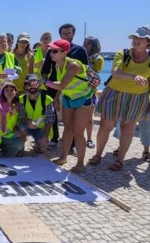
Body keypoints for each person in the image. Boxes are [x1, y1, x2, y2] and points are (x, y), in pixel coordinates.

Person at [89, 26, 150, 171]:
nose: (136, 40)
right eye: (135, 37)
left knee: (128, 129)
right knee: (105, 127)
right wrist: (133, 77)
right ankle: (98, 155)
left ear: (148, 41)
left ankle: (120, 160)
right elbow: (115, 73)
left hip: (138, 97)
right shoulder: (123, 53)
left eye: (141, 38)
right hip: (114, 93)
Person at [42, 39, 95, 173]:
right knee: (67, 128)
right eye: (50, 51)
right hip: (69, 98)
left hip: (84, 99)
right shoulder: (57, 65)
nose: (51, 54)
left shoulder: (73, 65)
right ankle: (63, 157)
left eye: (54, 51)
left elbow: (60, 84)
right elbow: (62, 83)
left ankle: (80, 164)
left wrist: (43, 81)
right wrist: (57, 97)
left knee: (78, 132)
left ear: (64, 52)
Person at [0, 82, 24, 159]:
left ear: (16, 92)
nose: (9, 92)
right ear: (3, 92)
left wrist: (16, 133)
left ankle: (4, 150)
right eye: (7, 90)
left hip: (6, 135)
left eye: (12, 90)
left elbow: (13, 124)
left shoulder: (17, 107)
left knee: (19, 144)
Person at [18, 74, 55, 154]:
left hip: (41, 129)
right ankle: (21, 148)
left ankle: (38, 143)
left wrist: (45, 137)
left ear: (38, 84)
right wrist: (28, 121)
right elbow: (21, 117)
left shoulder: (47, 99)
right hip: (27, 126)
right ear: (25, 86)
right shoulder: (21, 99)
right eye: (29, 84)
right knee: (22, 127)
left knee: (41, 148)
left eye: (34, 83)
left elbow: (50, 120)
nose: (32, 86)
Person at [84, 36, 104, 148]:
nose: (85, 45)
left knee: (89, 116)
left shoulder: (98, 59)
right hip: (78, 89)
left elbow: (95, 73)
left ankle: (89, 138)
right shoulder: (81, 55)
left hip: (90, 90)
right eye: (85, 42)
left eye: (88, 43)